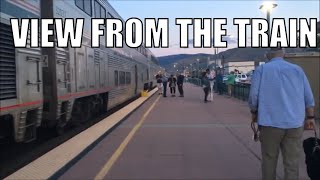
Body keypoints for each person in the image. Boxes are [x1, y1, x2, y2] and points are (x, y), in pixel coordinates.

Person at [248, 48, 315, 180]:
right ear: (283, 54)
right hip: (294, 123)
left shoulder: (262, 70)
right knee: (292, 163)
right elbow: (308, 96)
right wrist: (311, 117)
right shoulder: (297, 70)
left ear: (267, 55)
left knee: (269, 160)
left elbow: (253, 97)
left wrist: (254, 112)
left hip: (269, 123)